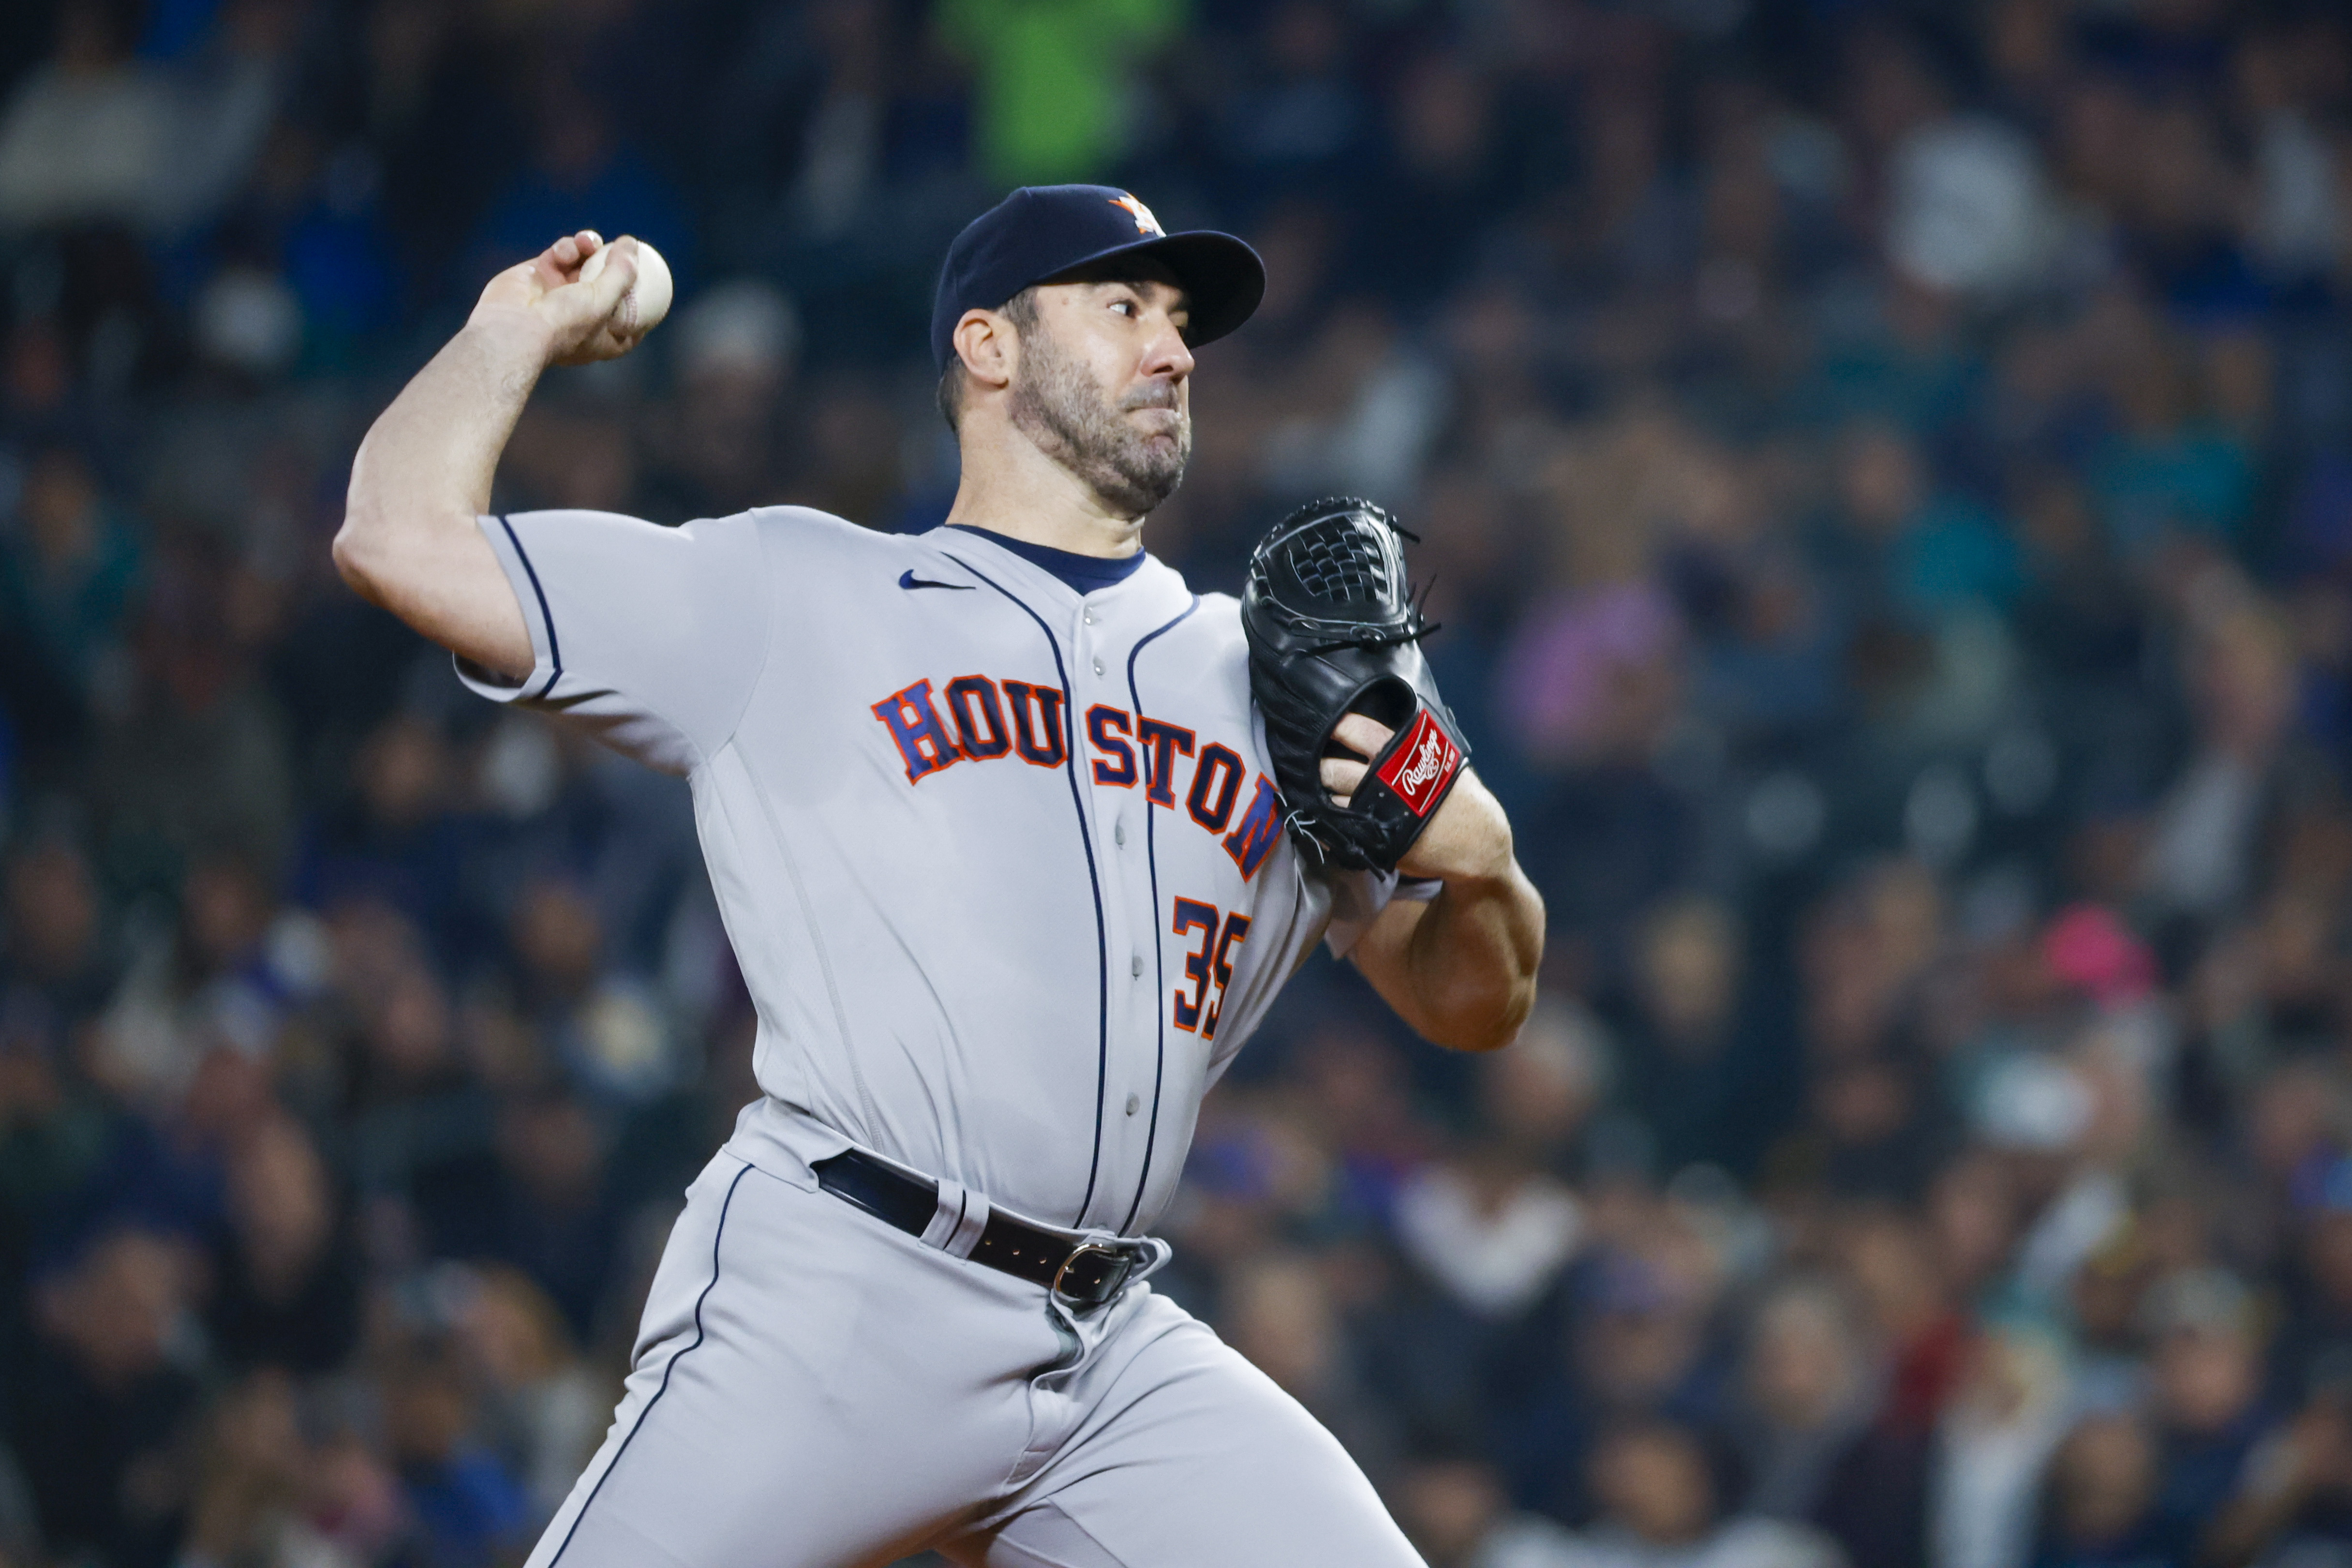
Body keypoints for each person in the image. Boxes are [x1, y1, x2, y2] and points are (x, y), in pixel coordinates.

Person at [332, 183, 1544, 1567]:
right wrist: (512, 331)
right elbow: (397, 539)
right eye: (1125, 307)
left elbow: (1472, 1006)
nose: (1175, 350)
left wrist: (1487, 866)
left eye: (1183, 321)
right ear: (989, 347)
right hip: (845, 1296)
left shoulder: (1260, 678)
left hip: (1104, 1353)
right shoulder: (795, 591)